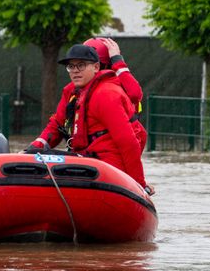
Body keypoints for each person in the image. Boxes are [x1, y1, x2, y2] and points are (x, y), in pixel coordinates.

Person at [27, 44, 151, 194]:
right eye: (71, 67)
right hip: (87, 162)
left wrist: (138, 184)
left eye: (81, 65)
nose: (75, 71)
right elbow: (57, 125)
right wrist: (31, 150)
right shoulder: (73, 92)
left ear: (96, 67)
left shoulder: (106, 94)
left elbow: (127, 143)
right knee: (40, 157)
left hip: (107, 170)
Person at [84, 37, 147, 149]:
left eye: (83, 65)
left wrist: (118, 61)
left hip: (113, 148)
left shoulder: (115, 87)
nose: (79, 70)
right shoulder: (77, 89)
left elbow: (135, 94)